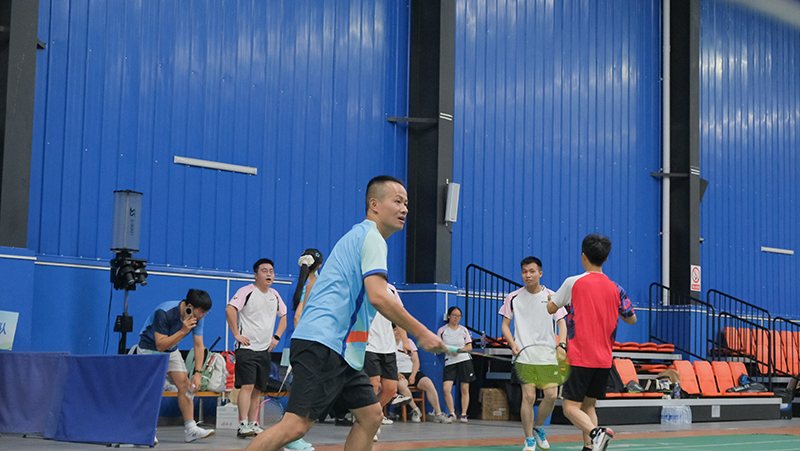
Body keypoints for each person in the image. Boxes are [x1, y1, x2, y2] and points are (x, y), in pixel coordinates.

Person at [244, 175, 449, 451]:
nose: (405, 209)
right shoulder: (372, 238)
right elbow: (378, 296)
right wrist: (421, 333)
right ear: (374, 204)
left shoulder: (360, 236)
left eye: (406, 204)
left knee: (371, 416)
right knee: (295, 426)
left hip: (343, 351)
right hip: (324, 344)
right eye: (398, 201)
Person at [546, 234, 637, 451]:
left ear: (583, 256)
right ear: (605, 259)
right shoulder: (616, 288)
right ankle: (590, 448)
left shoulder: (573, 282)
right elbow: (632, 318)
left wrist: (555, 300)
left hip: (580, 357)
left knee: (569, 408)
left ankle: (597, 433)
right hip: (604, 359)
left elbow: (551, 308)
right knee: (589, 406)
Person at [500, 256, 567, 451]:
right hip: (524, 355)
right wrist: (512, 343)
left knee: (551, 395)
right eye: (524, 272)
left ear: (540, 273)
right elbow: (505, 325)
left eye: (532, 271)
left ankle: (538, 427)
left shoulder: (552, 296)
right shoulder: (513, 297)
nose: (527, 275)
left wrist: (562, 345)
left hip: (547, 355)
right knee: (528, 396)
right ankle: (529, 439)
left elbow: (562, 323)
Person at [137, 289, 215, 443]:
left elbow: (199, 345)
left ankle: (191, 429)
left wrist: (198, 373)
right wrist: (183, 331)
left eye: (206, 313)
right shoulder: (164, 312)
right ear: (190, 306)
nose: (202, 316)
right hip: (149, 349)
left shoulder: (198, 317)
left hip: (171, 350)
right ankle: (147, 431)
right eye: (201, 312)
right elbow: (160, 345)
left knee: (185, 385)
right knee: (153, 390)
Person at [226, 258, 288, 439]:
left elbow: (285, 316)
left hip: (265, 350)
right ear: (255, 275)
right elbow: (230, 309)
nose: (269, 274)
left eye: (271, 271)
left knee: (257, 389)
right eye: (264, 271)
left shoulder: (274, 295)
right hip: (246, 348)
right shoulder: (246, 291)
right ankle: (242, 424)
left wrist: (276, 337)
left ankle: (253, 423)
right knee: (247, 385)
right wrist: (236, 334)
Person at [364, 283, 410, 441]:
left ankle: (369, 416)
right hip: (369, 344)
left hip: (388, 347)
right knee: (374, 382)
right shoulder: (364, 285)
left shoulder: (391, 290)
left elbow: (399, 315)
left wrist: (405, 341)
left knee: (391, 389)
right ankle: (370, 423)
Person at [393, 325, 453, 424]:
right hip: (399, 374)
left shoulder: (409, 342)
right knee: (402, 385)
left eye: (399, 330)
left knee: (428, 383)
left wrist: (413, 374)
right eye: (395, 330)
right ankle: (416, 410)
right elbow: (387, 363)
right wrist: (396, 373)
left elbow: (416, 361)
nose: (397, 332)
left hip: (413, 372)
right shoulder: (388, 344)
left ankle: (438, 413)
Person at [437, 306, 475, 423]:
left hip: (464, 360)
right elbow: (438, 348)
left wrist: (459, 350)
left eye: (459, 316)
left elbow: (469, 346)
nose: (456, 318)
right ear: (449, 316)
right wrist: (448, 350)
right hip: (450, 362)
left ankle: (463, 414)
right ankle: (452, 413)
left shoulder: (463, 330)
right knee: (446, 388)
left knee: (464, 388)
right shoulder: (442, 331)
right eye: (454, 315)